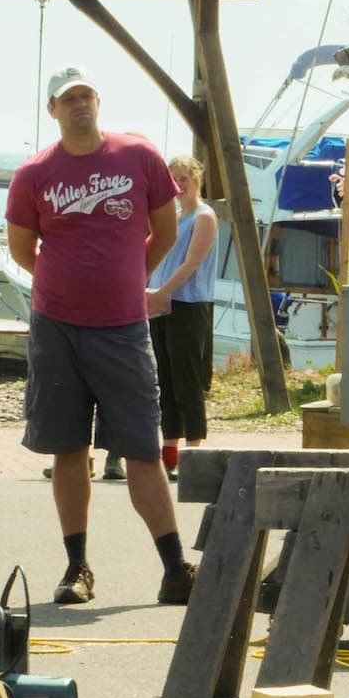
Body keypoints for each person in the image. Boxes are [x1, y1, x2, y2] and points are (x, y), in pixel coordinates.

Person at [5, 67, 193, 607]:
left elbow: (166, 228)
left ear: (98, 101)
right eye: (69, 99)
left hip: (124, 327)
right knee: (68, 448)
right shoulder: (33, 173)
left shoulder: (138, 156)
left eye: (87, 95)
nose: (80, 105)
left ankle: (175, 567)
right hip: (56, 328)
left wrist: (130, 275)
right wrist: (67, 282)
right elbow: (22, 251)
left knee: (141, 448)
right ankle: (77, 567)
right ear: (53, 110)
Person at [146, 157, 219, 477]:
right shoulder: (174, 217)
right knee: (166, 381)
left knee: (188, 380)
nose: (179, 184)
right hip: (161, 304)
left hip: (188, 304)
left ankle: (195, 456)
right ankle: (170, 453)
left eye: (184, 177)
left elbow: (192, 263)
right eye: (173, 178)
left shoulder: (204, 216)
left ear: (197, 178)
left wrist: (163, 290)